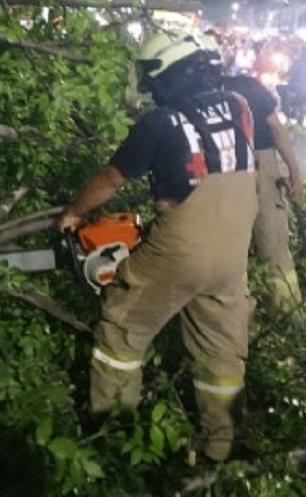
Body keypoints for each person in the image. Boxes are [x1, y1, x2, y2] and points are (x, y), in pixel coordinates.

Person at [58, 31, 258, 463]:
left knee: (120, 328)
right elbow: (218, 172)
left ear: (167, 73)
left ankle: (114, 435)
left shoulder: (159, 122)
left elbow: (111, 179)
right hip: (233, 252)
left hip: (182, 252)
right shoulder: (239, 106)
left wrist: (74, 214)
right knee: (221, 352)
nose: (149, 87)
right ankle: (221, 446)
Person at [204, 34, 304, 312]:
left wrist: (294, 171)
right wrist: (294, 171)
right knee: (269, 243)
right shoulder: (246, 87)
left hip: (232, 168)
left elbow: (276, 129)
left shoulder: (208, 95)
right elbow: (276, 129)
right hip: (251, 165)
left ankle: (267, 310)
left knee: (247, 243)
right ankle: (280, 311)